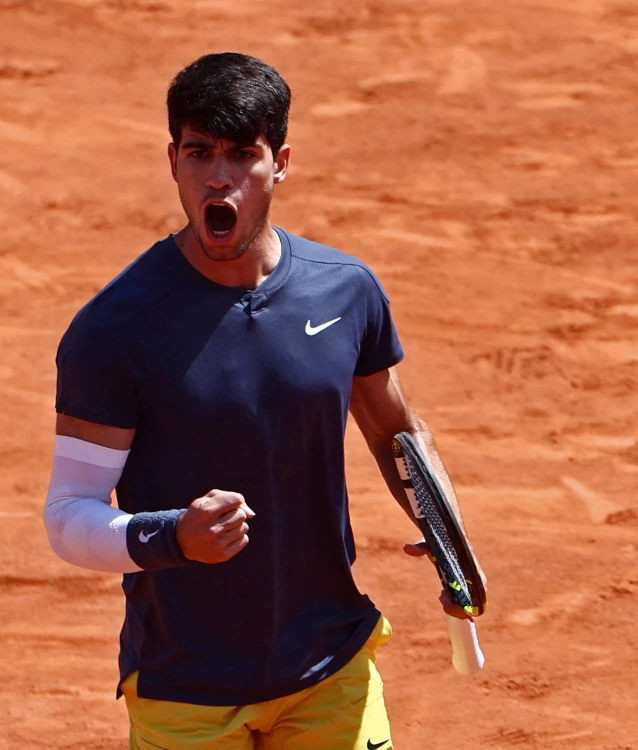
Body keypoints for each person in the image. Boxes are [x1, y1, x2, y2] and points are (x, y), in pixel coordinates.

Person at [43, 52, 482, 750]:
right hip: (184, 687)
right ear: (173, 161)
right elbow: (68, 517)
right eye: (199, 153)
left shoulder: (345, 292)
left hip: (331, 665)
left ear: (280, 162)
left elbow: (396, 431)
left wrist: (448, 537)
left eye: (242, 154)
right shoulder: (114, 330)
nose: (219, 176)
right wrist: (170, 535)